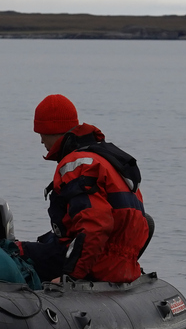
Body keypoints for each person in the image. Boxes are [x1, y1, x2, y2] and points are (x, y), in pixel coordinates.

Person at [14, 94, 151, 283]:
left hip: (98, 265)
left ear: (52, 130)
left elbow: (94, 225)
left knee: (12, 252)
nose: (41, 142)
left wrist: (70, 277)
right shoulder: (106, 159)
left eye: (41, 135)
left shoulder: (77, 165)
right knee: (38, 244)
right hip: (123, 265)